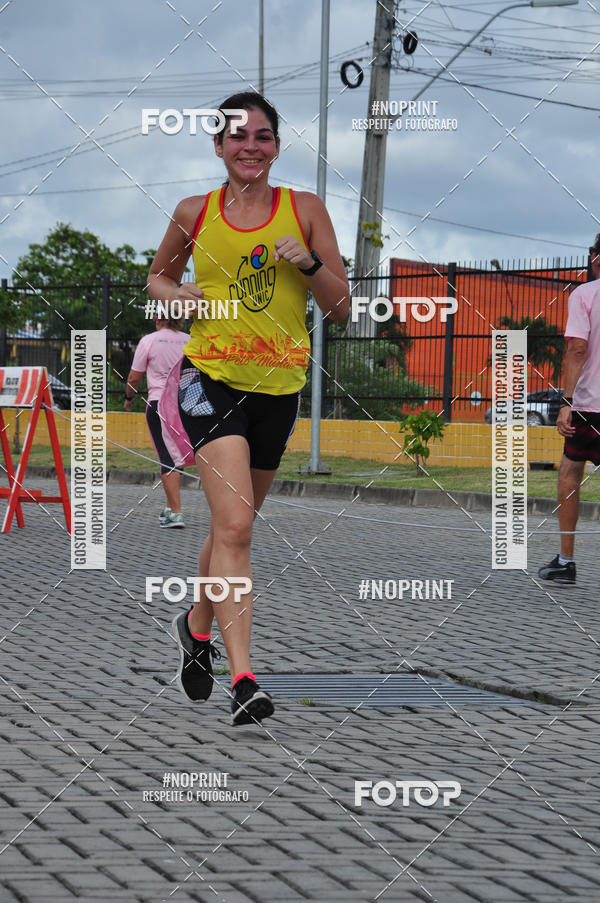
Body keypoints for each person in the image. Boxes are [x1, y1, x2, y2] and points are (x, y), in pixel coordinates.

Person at [148, 92, 349, 725]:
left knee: (230, 526)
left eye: (262, 137)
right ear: (218, 146)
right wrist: (177, 295)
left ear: (277, 146)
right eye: (238, 137)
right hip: (208, 379)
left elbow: (341, 305)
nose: (250, 147)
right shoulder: (193, 212)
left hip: (278, 390)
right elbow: (155, 280)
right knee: (235, 528)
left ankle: (194, 624)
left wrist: (309, 262)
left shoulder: (305, 210)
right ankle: (243, 678)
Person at [538, 234, 600, 585]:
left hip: (592, 406)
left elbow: (578, 347)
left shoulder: (586, 294)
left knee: (569, 474)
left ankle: (566, 562)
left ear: (598, 258)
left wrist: (566, 402)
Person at [125, 313, 189, 527]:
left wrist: (128, 398)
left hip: (159, 402)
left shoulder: (149, 340)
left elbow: (134, 377)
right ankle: (170, 507)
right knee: (178, 454)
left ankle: (177, 513)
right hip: (183, 404)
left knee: (166, 456)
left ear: (158, 320)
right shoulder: (189, 340)